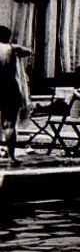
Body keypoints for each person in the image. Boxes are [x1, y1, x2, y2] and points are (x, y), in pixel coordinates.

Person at [0, 25, 32, 162]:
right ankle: (12, 156)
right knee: (9, 123)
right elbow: (29, 51)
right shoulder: (12, 49)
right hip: (9, 87)